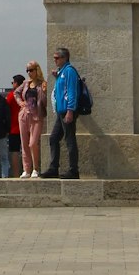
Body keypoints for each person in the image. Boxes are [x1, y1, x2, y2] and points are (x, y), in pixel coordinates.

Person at [42, 47, 80, 179]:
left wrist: (70, 111)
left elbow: (71, 92)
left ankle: (74, 169)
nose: (55, 60)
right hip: (61, 111)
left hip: (67, 111)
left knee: (70, 139)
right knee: (53, 138)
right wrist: (57, 76)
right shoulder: (62, 72)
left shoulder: (69, 71)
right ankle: (53, 168)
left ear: (64, 58)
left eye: (57, 58)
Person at [15, 61, 47, 179]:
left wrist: (44, 91)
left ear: (37, 70)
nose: (29, 73)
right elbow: (16, 93)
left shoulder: (42, 84)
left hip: (37, 115)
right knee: (24, 143)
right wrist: (20, 103)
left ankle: (35, 168)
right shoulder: (25, 83)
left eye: (31, 70)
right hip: (24, 115)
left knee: (33, 143)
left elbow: (44, 101)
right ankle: (26, 169)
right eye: (27, 70)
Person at [6, 76, 24, 176]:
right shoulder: (26, 94)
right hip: (26, 127)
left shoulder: (11, 96)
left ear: (16, 83)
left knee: (14, 152)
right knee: (27, 150)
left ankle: (16, 174)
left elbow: (6, 109)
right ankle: (28, 171)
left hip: (13, 128)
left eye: (12, 82)